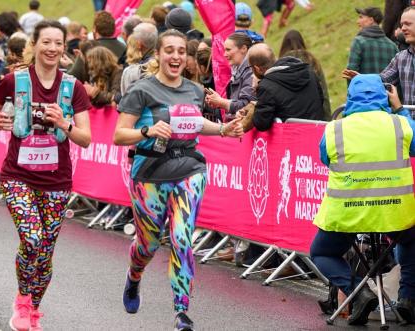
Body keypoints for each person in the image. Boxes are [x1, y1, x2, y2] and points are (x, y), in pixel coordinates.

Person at [114, 29, 244, 331]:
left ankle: (182, 313)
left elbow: (195, 123)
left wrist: (223, 130)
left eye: (180, 51)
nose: (175, 56)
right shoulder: (141, 91)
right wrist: (147, 132)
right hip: (149, 174)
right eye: (169, 50)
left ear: (186, 56)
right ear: (158, 55)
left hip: (189, 169)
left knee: (182, 239)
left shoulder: (195, 90)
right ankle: (134, 278)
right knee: (146, 246)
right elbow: (119, 135)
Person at [0, 20, 91, 331]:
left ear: (63, 48)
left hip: (57, 181)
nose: (53, 48)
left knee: (45, 253)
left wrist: (64, 124)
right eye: (47, 42)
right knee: (33, 239)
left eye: (58, 43)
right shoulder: (14, 81)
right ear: (35, 45)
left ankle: (34, 308)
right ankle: (21, 299)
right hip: (18, 176)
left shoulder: (73, 88)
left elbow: (86, 138)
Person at [310, 74, 415, 325]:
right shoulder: (399, 125)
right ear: (384, 95)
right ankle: (408, 298)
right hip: (394, 214)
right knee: (411, 240)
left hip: (349, 215)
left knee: (321, 253)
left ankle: (359, 292)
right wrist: (400, 109)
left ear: (350, 98)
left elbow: (325, 158)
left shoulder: (335, 129)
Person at [344, 7, 415, 109]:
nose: (402, 28)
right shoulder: (401, 57)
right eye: (402, 24)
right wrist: (363, 79)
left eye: (407, 24)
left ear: (371, 20)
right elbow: (383, 79)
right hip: (409, 122)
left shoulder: (358, 41)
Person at [244, 43, 325, 131]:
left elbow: (262, 124)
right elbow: (321, 99)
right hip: (319, 133)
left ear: (257, 68)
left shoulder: (265, 87)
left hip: (291, 139)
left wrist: (255, 107)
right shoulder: (308, 71)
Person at [279, 29, 331, 120]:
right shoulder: (312, 60)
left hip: (290, 120)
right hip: (316, 117)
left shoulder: (279, 64)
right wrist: (327, 119)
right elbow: (323, 92)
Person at [205, 33, 255, 118]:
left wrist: (221, 102)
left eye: (228, 50)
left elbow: (246, 106)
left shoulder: (251, 72)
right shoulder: (238, 71)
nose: (224, 54)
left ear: (243, 48)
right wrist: (217, 103)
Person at [343, 7, 398, 81]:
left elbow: (350, 72)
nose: (357, 21)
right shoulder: (392, 46)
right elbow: (397, 75)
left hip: (363, 91)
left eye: (361, 17)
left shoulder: (359, 42)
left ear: (371, 20)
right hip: (386, 92)